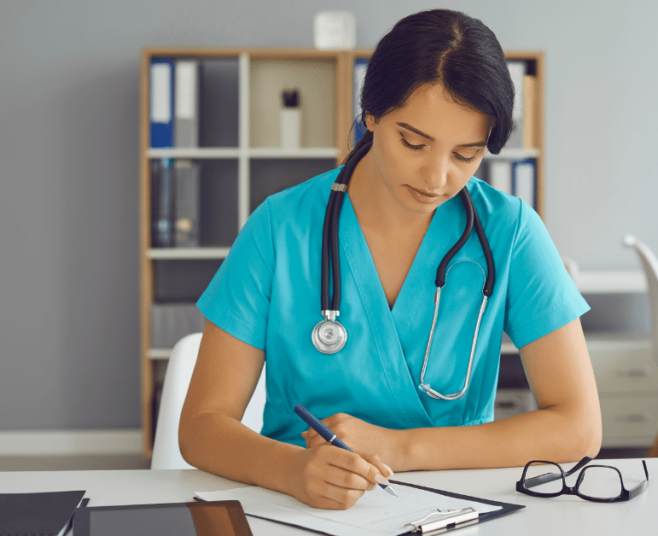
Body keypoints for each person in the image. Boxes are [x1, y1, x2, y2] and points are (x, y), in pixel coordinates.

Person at [179, 9, 601, 510]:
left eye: (465, 155)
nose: (436, 177)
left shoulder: (509, 232)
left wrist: (400, 448)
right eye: (413, 142)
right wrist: (291, 470)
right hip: (301, 506)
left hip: (455, 505)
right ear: (372, 113)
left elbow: (578, 426)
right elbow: (202, 427)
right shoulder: (280, 227)